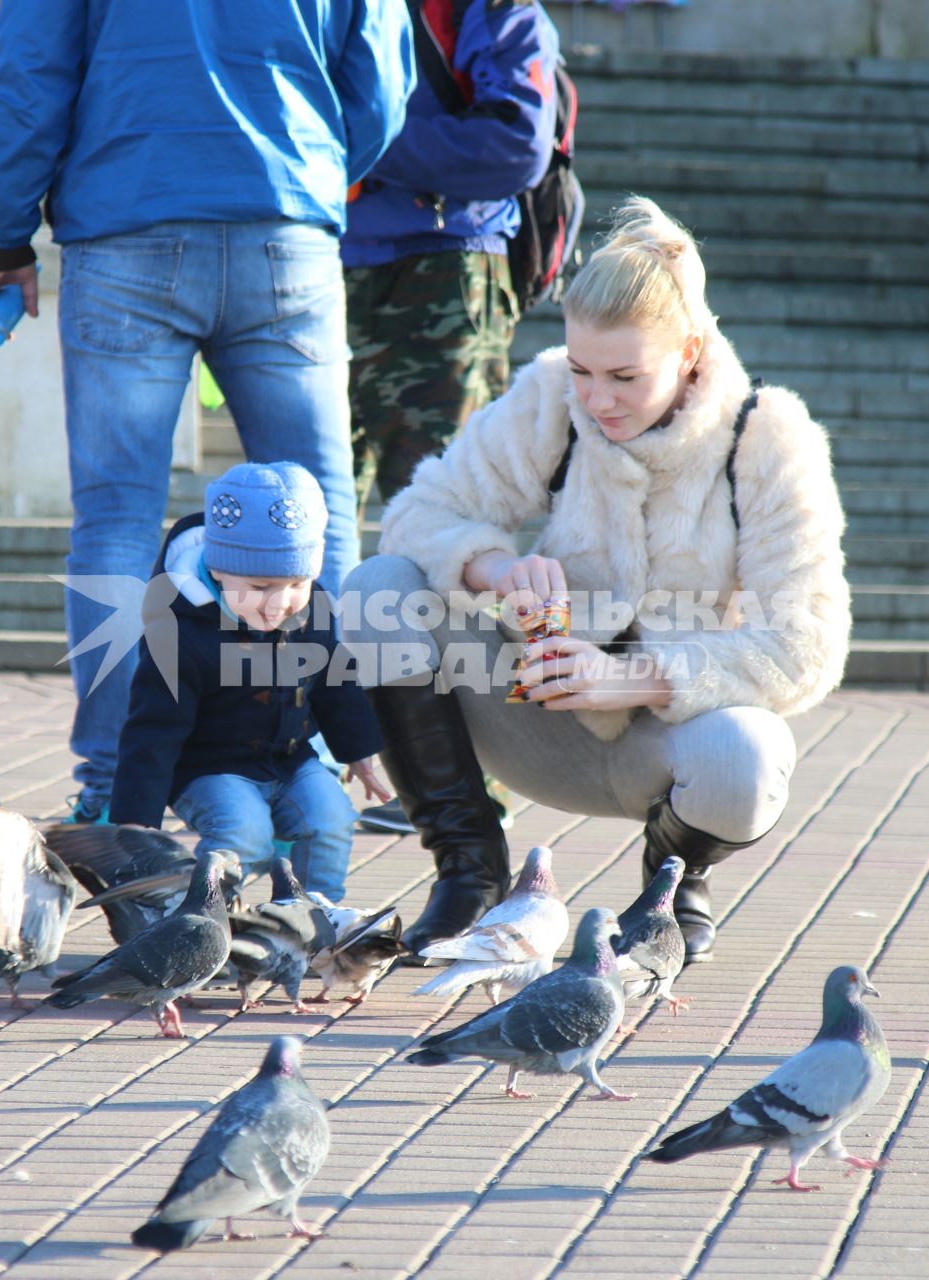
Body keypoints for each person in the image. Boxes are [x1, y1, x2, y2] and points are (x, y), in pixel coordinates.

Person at [341, 197, 851, 963]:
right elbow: (418, 513)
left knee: (746, 758)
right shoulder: (553, 395)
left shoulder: (770, 436)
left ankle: (672, 889)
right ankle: (469, 871)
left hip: (669, 743)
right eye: (583, 369)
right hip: (528, 713)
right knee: (378, 586)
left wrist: (636, 679)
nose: (597, 398)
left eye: (624, 376)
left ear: (689, 351)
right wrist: (498, 568)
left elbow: (807, 643)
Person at [0, 0, 416, 824]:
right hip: (286, 217)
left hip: (124, 215)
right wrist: (310, 161)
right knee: (321, 511)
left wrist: (4, 234)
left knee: (116, 522)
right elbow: (383, 78)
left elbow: (31, 77)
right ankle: (313, 768)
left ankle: (109, 787)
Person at [342, 0, 560, 835]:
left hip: (445, 276)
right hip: (322, 258)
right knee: (315, 528)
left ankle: (465, 787)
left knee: (451, 533)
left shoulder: (495, 9)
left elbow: (514, 144)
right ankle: (330, 759)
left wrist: (358, 142)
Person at [110, 463, 391, 903]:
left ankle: (313, 914)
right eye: (260, 587)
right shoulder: (180, 633)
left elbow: (333, 681)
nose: (280, 603)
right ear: (220, 571)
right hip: (208, 769)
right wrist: (136, 819)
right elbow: (152, 730)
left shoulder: (311, 610)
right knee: (246, 831)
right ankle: (209, 918)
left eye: (297, 583)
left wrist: (358, 752)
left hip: (291, 760)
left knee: (331, 817)